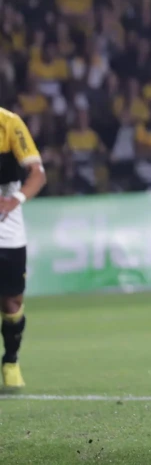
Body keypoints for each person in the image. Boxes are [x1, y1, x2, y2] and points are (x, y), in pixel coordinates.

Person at [0, 108, 47, 387]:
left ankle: (11, 359)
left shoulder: (9, 123)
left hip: (6, 225)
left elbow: (37, 174)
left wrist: (14, 199)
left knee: (11, 302)